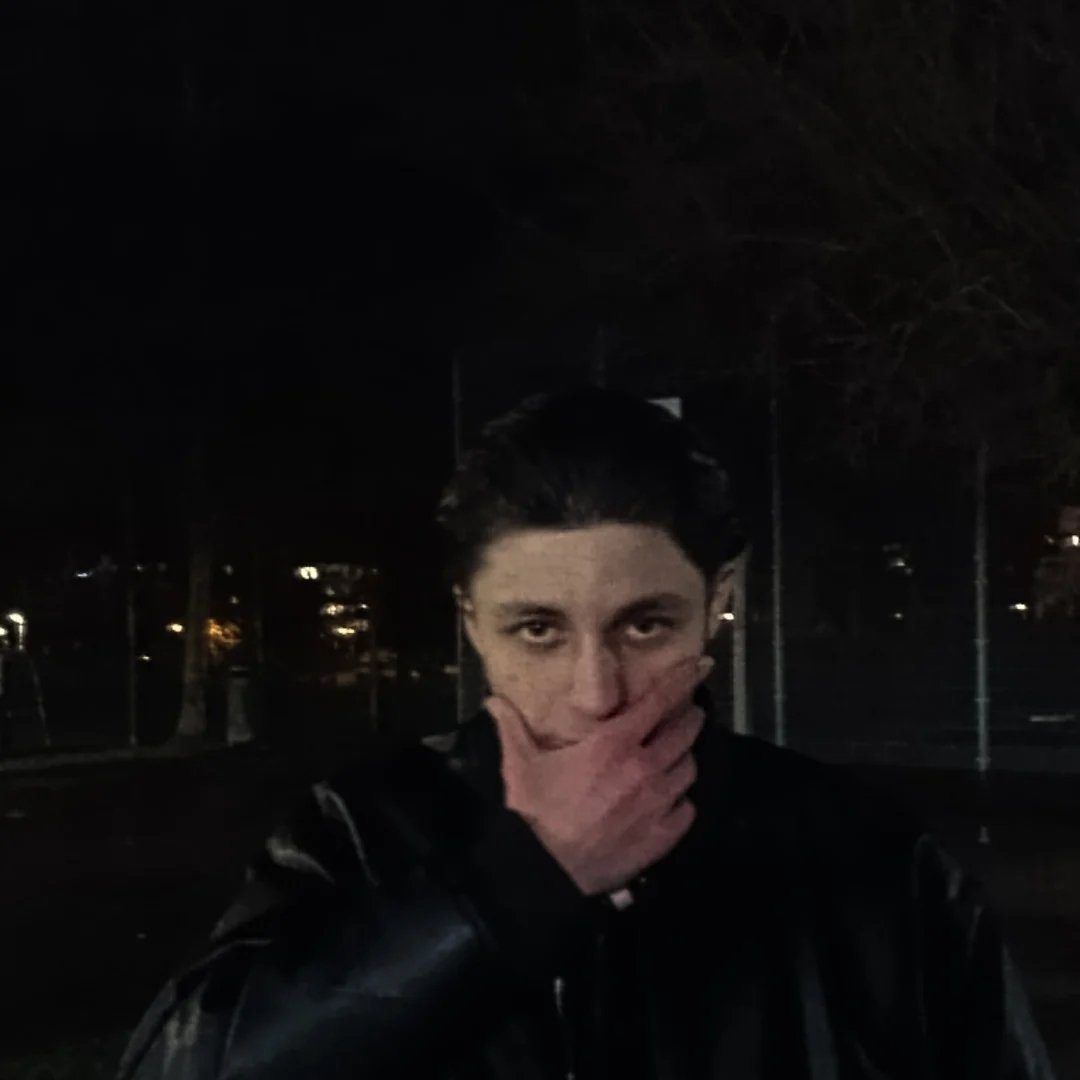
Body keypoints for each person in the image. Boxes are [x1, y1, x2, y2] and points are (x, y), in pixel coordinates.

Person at [118, 387, 1056, 1079]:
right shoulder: (364, 835)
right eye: (538, 630)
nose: (596, 693)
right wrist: (519, 885)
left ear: (717, 603)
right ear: (472, 622)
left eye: (645, 625)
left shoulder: (874, 861)